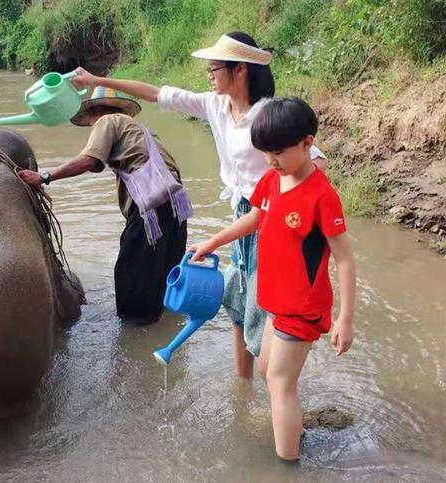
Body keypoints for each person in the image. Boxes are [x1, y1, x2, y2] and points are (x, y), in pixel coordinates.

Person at [71, 31, 327, 378]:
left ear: (240, 71)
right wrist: (97, 79)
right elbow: (157, 93)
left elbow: (315, 161)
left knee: (264, 307)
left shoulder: (269, 116)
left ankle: (276, 395)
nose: (209, 74)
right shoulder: (216, 105)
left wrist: (284, 211)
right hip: (241, 215)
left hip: (269, 222)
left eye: (215, 68)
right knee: (237, 301)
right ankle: (243, 386)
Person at [190, 97, 356, 460]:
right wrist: (212, 241)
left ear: (308, 143)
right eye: (265, 152)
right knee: (267, 370)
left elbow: (344, 259)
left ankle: (286, 464)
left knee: (280, 382)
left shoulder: (322, 197)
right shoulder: (272, 179)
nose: (270, 161)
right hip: (273, 303)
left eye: (278, 152)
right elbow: (254, 218)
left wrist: (345, 318)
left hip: (302, 308)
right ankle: (296, 431)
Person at [18, 87, 190, 325]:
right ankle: (168, 327)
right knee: (163, 271)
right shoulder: (138, 128)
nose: (90, 128)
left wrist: (45, 176)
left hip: (152, 205)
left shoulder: (107, 121)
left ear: (95, 111)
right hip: (176, 202)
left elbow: (90, 160)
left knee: (133, 275)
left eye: (89, 122)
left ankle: (134, 339)